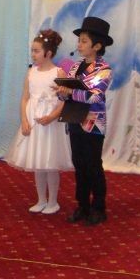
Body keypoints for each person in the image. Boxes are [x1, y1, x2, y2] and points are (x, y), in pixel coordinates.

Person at [5, 29, 73, 214]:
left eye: (36, 51)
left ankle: (53, 202)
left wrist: (52, 116)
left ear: (48, 53)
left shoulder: (58, 72)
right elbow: (25, 98)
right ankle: (41, 199)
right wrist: (24, 120)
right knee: (37, 162)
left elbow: (63, 99)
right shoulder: (31, 72)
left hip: (50, 124)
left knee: (50, 163)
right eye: (32, 51)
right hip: (34, 121)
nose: (33, 54)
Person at [56, 16, 114, 226]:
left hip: (93, 124)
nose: (79, 45)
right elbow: (65, 93)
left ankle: (99, 207)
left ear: (97, 46)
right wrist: (62, 92)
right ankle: (83, 205)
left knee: (93, 164)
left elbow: (95, 96)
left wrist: (71, 92)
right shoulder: (75, 66)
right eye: (79, 40)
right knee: (79, 164)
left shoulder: (104, 69)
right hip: (74, 120)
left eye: (84, 41)